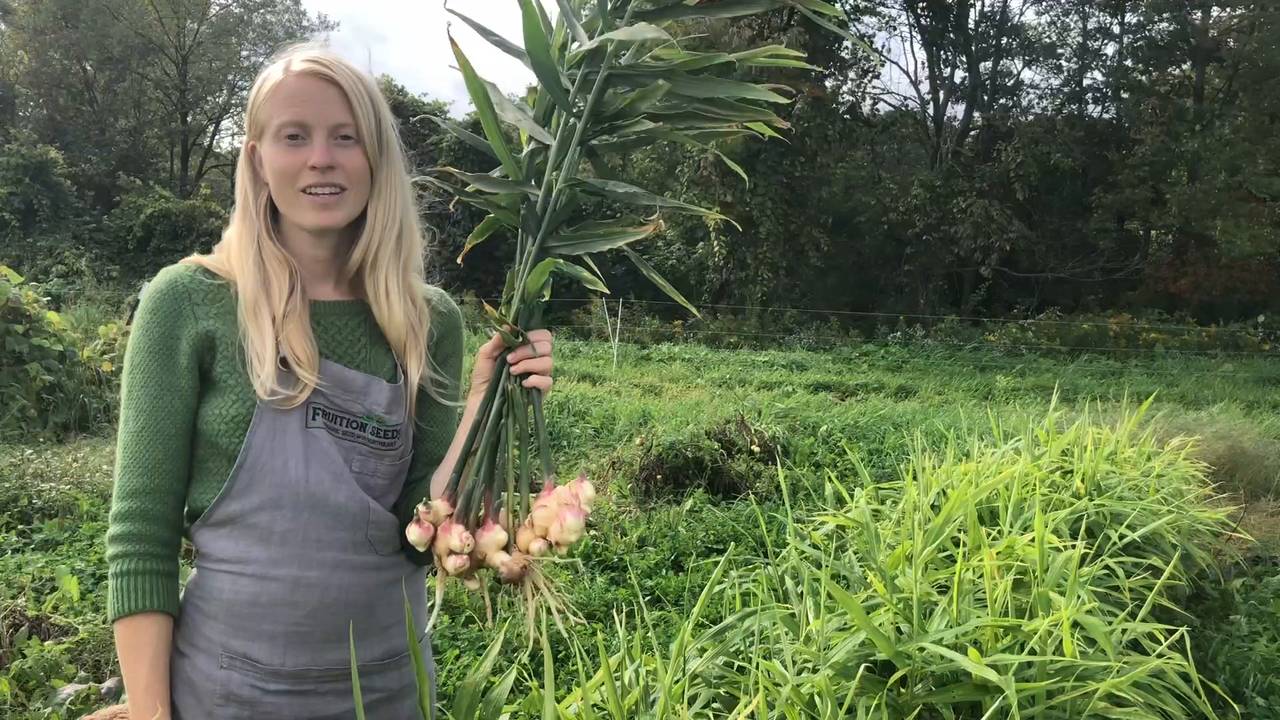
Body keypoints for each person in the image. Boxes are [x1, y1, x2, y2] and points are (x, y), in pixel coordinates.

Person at [104, 43, 554, 720]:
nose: (322, 158)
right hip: (223, 692)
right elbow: (142, 535)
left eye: (347, 137)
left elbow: (425, 526)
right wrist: (148, 712)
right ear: (257, 159)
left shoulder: (427, 319)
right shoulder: (188, 302)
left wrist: (487, 407)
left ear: (377, 160)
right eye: (295, 136)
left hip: (386, 689)